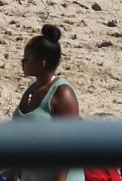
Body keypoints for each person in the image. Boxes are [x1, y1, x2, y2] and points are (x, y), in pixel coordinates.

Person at [12, 25, 83, 181]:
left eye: (26, 59)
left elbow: (69, 147)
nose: (22, 62)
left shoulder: (63, 94)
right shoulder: (31, 89)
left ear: (41, 64)